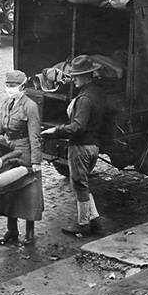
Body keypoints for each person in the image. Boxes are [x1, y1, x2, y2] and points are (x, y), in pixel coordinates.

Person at [41, 55, 105, 236]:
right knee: (82, 184)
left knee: (79, 185)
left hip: (80, 147)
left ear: (86, 76)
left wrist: (56, 131)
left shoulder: (84, 98)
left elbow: (78, 127)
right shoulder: (97, 92)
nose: (73, 79)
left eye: (76, 76)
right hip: (93, 145)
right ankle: (96, 222)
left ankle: (83, 224)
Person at [0, 70, 43, 246]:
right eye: (7, 85)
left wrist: (36, 161)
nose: (9, 89)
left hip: (24, 152)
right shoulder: (6, 103)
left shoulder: (30, 106)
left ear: (22, 87)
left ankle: (29, 231)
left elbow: (35, 136)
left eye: (13, 86)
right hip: (8, 151)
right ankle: (12, 230)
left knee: (28, 193)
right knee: (8, 191)